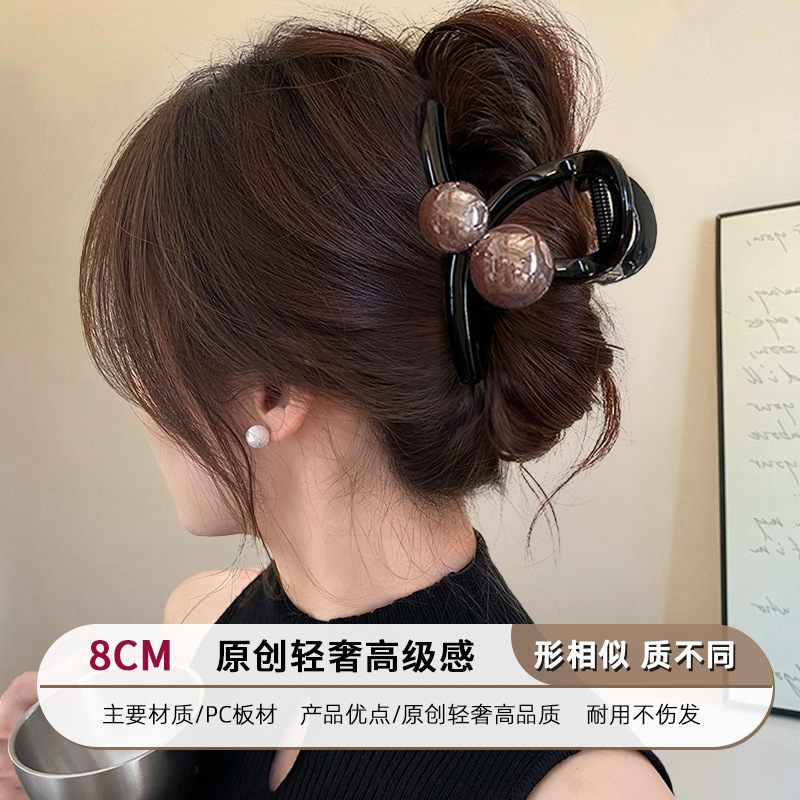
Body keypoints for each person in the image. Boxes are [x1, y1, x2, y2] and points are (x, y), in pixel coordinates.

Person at [1, 0, 674, 797]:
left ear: (272, 391)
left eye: (155, 353)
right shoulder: (200, 624)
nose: (142, 400)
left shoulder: (582, 784)